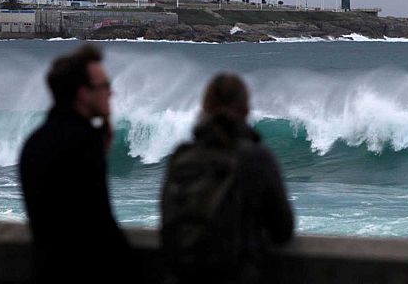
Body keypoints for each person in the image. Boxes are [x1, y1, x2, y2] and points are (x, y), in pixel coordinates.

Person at [19, 45, 140, 283]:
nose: (111, 93)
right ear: (83, 94)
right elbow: (98, 226)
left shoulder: (34, 142)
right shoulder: (83, 143)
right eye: (104, 86)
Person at [161, 73, 294, 284]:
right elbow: (282, 231)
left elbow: (168, 225)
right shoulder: (257, 157)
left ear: (204, 108)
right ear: (246, 110)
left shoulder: (181, 156)